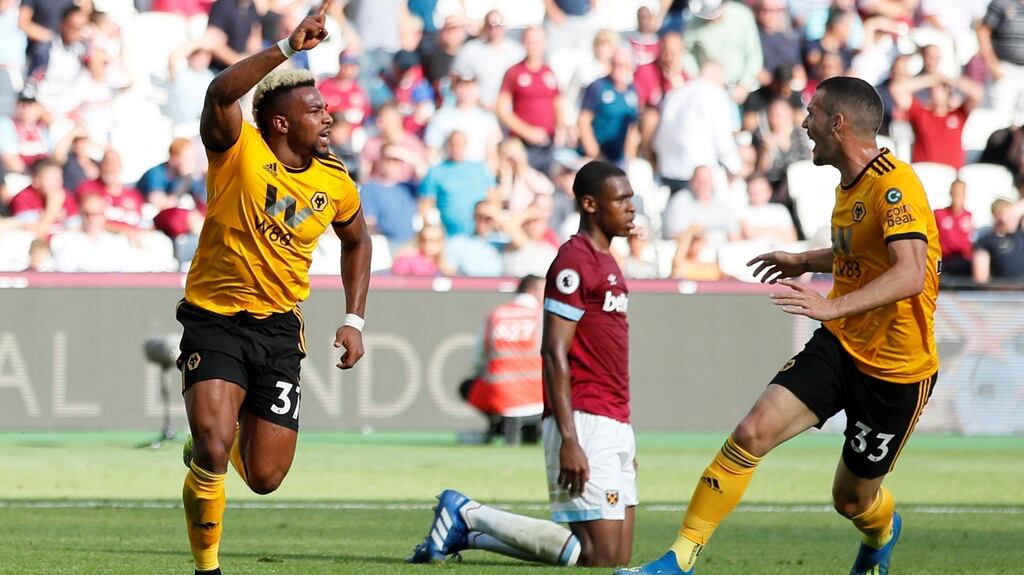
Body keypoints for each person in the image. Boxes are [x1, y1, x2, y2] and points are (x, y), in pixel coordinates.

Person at [618, 76, 940, 575]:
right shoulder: (850, 184)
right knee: (751, 432)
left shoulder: (895, 186)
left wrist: (831, 307)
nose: (804, 124)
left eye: (812, 114)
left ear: (838, 123)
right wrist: (804, 259)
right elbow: (860, 251)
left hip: (896, 370)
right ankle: (679, 559)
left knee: (851, 500)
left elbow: (910, 272)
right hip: (840, 346)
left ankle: (882, 532)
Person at [175, 4, 373, 575]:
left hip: (279, 328)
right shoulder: (239, 148)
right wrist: (288, 47)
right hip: (214, 318)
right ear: (281, 123)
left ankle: (209, 440)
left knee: (264, 477)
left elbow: (358, 242)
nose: (328, 117)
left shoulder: (335, 180)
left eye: (326, 108)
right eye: (315, 110)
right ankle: (207, 567)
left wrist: (354, 319)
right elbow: (219, 93)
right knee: (215, 450)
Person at [408, 160, 638, 567]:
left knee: (615, 558)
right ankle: (470, 514)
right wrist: (569, 438)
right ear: (589, 204)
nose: (631, 207)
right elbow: (553, 351)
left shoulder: (608, 262)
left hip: (613, 419)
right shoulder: (574, 261)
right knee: (599, 558)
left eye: (630, 199)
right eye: (620, 199)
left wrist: (623, 432)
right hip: (584, 418)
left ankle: (466, 526)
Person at [459, 274, 546, 444]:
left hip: (501, 396)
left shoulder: (496, 314)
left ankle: (498, 425)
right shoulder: (542, 315)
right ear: (532, 290)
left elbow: (479, 357)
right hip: (540, 395)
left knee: (467, 387)